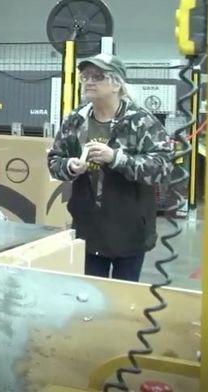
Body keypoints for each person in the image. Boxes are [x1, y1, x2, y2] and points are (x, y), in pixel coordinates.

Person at [47, 53, 173, 282]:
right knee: (90, 296)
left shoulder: (140, 121)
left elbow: (162, 167)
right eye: (85, 77)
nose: (89, 82)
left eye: (97, 76)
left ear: (116, 84)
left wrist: (116, 158)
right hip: (88, 227)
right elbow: (54, 160)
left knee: (123, 299)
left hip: (129, 229)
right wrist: (70, 166)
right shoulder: (75, 120)